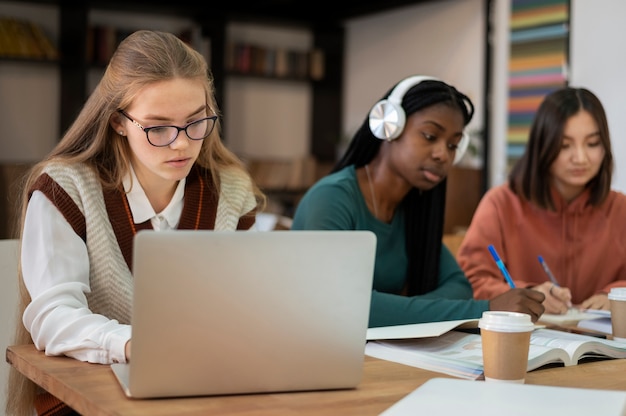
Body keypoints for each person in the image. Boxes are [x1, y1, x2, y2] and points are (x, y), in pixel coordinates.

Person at [6, 30, 265, 416]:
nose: (181, 143)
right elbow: (52, 318)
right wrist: (136, 344)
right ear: (118, 122)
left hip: (200, 393)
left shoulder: (232, 190)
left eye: (196, 122)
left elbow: (241, 308)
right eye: (158, 127)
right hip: (86, 397)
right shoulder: (66, 188)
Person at [291, 75, 545, 328]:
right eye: (430, 136)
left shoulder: (412, 209)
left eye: (453, 145)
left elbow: (458, 285)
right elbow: (341, 305)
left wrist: (399, 311)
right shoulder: (331, 199)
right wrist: (486, 310)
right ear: (389, 126)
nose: (442, 154)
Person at [457, 87, 626, 314]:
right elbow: (470, 282)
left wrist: (614, 296)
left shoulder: (620, 209)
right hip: (526, 342)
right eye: (565, 145)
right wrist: (528, 295)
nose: (580, 158)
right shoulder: (501, 204)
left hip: (599, 345)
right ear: (542, 145)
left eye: (592, 143)